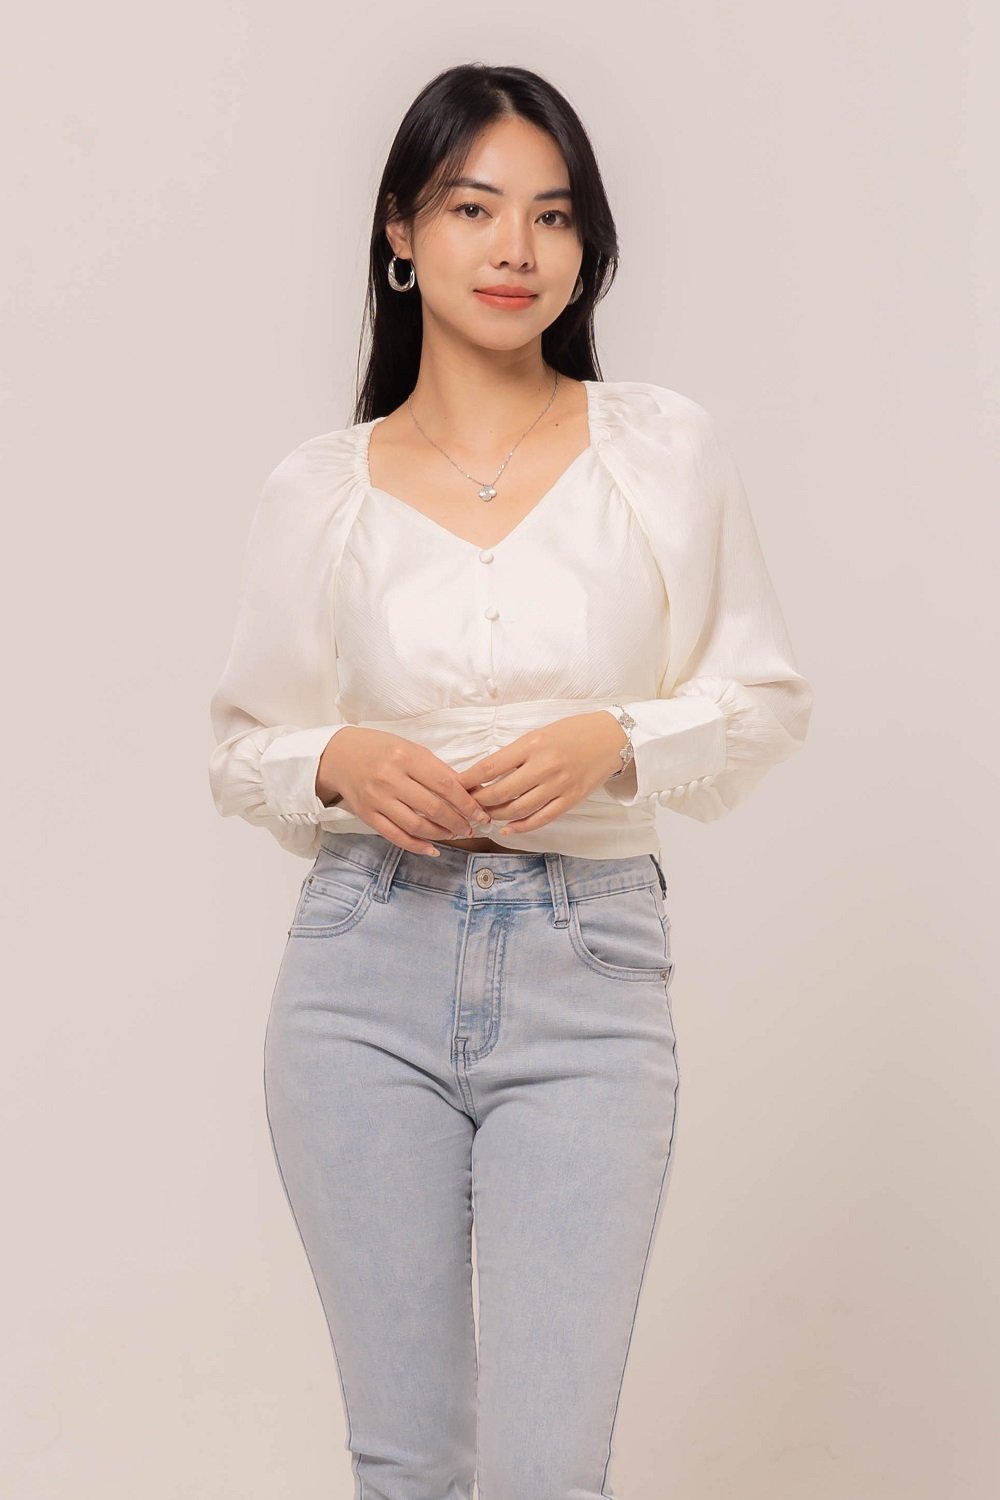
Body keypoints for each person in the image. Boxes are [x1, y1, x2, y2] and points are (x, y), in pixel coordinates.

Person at [208, 62, 813, 1500]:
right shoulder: (321, 487)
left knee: (551, 1471)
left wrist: (619, 737)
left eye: (552, 215)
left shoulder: (659, 449)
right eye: (473, 208)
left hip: (587, 967)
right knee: (407, 1462)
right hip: (362, 971)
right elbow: (242, 748)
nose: (515, 250)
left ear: (585, 245)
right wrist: (337, 758)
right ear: (401, 233)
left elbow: (766, 697)